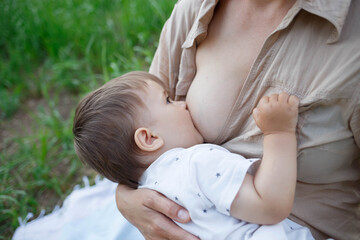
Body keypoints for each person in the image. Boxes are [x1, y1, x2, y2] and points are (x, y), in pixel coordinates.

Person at [115, 0, 360, 240]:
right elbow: (136, 124)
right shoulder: (197, 8)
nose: (182, 103)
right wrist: (126, 199)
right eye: (170, 101)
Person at [73, 71, 314, 239]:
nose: (182, 103)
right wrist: (278, 132)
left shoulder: (151, 195)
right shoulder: (196, 164)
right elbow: (271, 206)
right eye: (167, 101)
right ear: (150, 139)